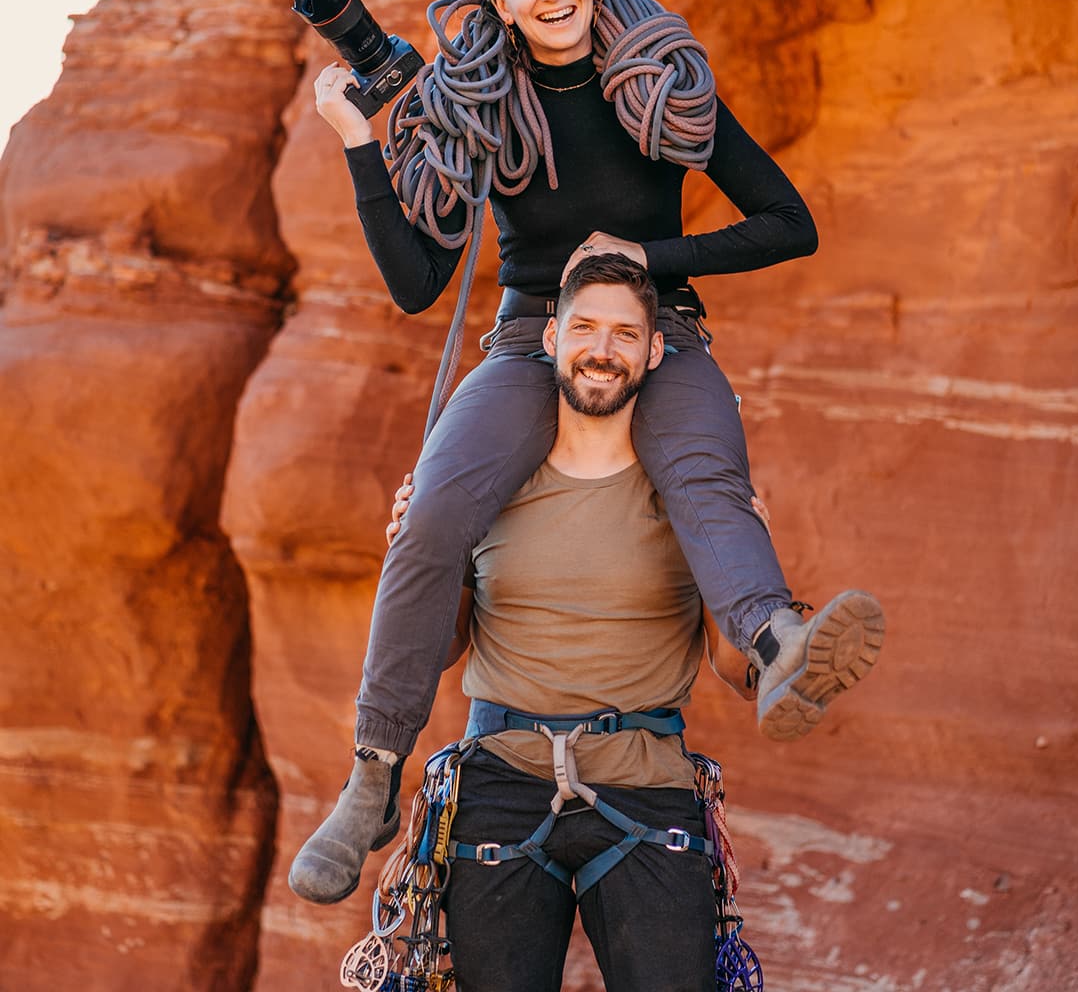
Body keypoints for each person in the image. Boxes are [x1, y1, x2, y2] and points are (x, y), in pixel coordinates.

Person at [289, 0, 885, 906]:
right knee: (431, 510)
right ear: (502, 2)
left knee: (702, 471)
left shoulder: (656, 79)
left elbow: (789, 222)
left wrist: (641, 255)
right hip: (533, 331)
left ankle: (778, 644)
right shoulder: (476, 97)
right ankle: (373, 773)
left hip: (658, 324)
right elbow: (413, 283)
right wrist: (355, 137)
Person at [341, 255, 875, 991]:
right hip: (500, 778)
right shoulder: (483, 486)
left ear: (655, 352)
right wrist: (419, 545)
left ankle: (790, 647)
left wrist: (750, 565)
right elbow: (446, 647)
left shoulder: (695, 503)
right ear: (552, 338)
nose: (603, 349)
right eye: (586, 328)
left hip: (645, 781)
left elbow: (728, 670)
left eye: (626, 334)